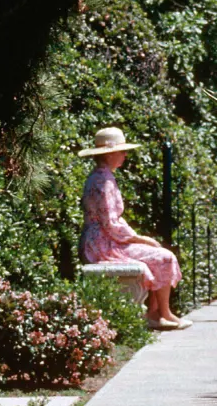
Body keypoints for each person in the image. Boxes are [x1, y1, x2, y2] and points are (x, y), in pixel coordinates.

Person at [78, 126, 189, 329]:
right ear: (109, 154)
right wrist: (139, 239)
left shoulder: (103, 177)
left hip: (104, 240)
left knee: (158, 253)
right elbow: (110, 224)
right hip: (103, 245)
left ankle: (157, 313)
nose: (125, 155)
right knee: (164, 257)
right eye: (121, 151)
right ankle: (162, 313)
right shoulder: (103, 181)